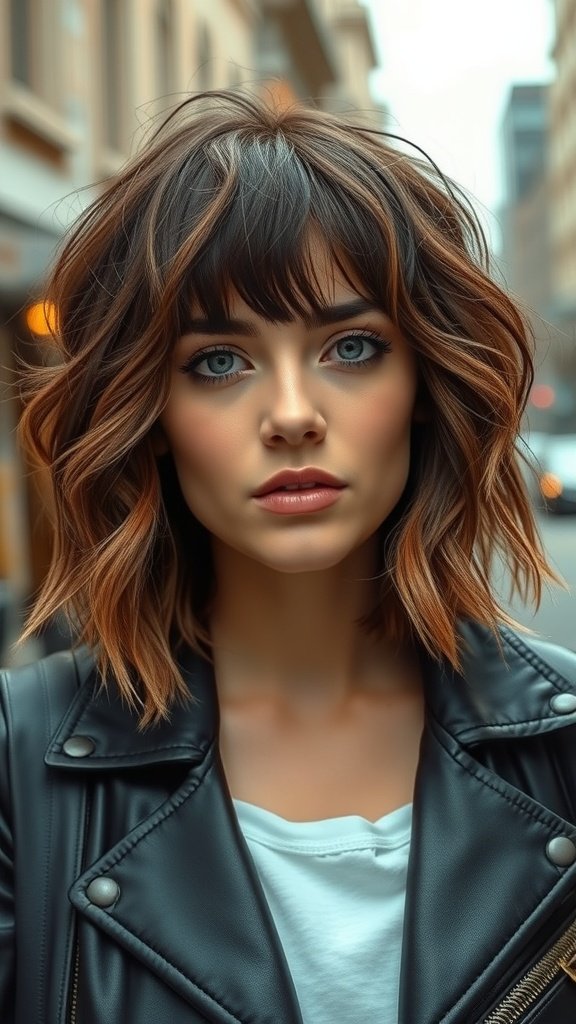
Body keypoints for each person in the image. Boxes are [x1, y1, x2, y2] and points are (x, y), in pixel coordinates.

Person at [1, 89, 576, 1024]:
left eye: (352, 346)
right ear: (150, 415)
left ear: (424, 382)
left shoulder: (564, 746)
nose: (294, 413)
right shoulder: (20, 767)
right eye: (218, 361)